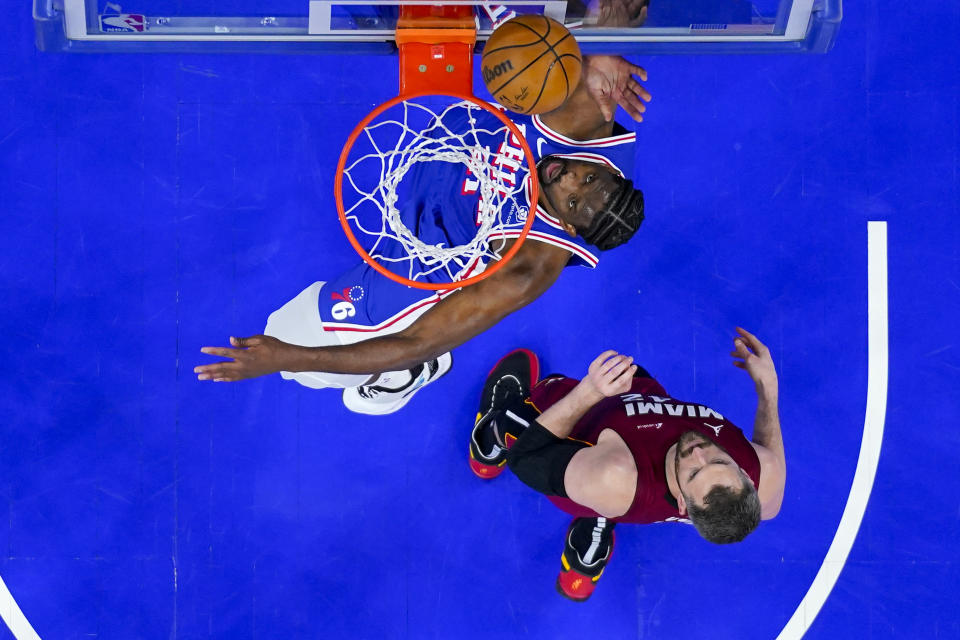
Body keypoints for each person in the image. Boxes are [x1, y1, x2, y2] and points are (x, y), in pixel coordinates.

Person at [194, 55, 652, 415]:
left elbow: (417, 341)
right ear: (607, 169)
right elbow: (559, 57)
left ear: (569, 225)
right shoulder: (586, 125)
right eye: (589, 179)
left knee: (288, 337)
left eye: (572, 202)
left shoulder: (528, 266)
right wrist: (592, 63)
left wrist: (287, 357)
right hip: (434, 167)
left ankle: (403, 379)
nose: (567, 179)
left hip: (427, 255)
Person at [468, 328, 786, 601]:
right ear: (745, 475)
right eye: (719, 459)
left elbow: (526, 460)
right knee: (638, 380)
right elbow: (770, 509)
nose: (699, 449)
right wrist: (767, 391)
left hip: (584, 460)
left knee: (529, 415)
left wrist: (588, 392)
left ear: (680, 501)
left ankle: (488, 443)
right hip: (639, 422)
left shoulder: (615, 475)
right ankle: (587, 557)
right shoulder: (761, 475)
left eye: (694, 470)